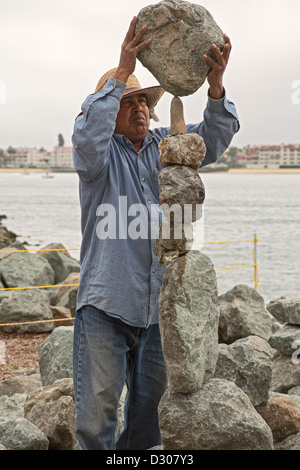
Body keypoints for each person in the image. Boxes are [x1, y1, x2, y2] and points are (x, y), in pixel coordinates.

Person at [72, 16, 239, 450]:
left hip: (161, 309)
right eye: (128, 102)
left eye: (144, 101)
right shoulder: (98, 160)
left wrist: (215, 87)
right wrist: (122, 71)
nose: (140, 108)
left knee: (150, 424)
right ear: (109, 112)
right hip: (107, 305)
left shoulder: (168, 147)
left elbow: (215, 141)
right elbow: (86, 135)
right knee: (95, 423)